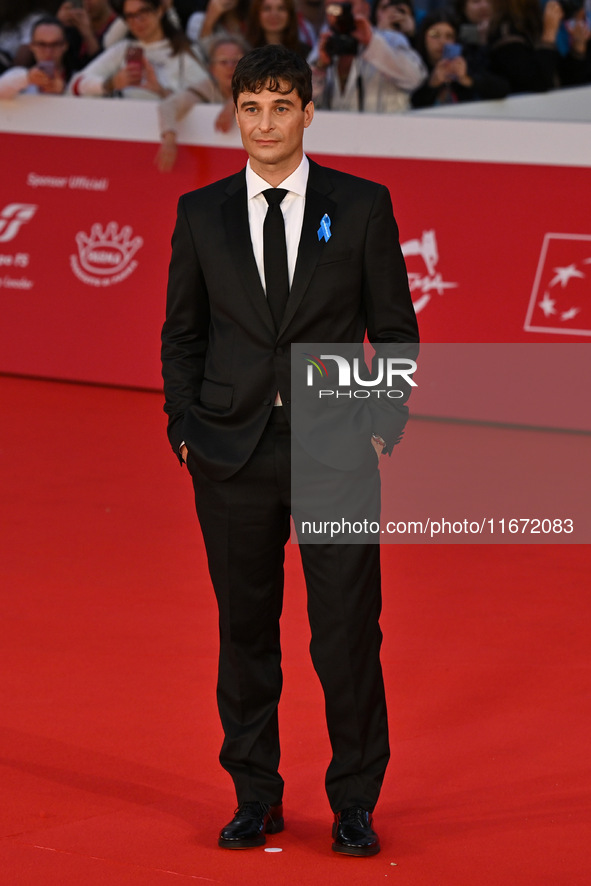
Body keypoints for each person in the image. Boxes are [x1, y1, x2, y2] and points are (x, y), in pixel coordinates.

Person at [161, 44, 418, 856]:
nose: (264, 123)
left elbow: (396, 327)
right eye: (250, 108)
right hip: (230, 455)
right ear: (234, 115)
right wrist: (182, 426)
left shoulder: (363, 204)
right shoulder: (199, 214)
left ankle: (353, 802)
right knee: (245, 631)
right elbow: (183, 334)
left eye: (280, 107)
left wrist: (383, 416)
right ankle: (254, 793)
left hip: (335, 452)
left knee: (345, 631)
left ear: (308, 113)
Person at [69, 0, 209, 98]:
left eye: (144, 12)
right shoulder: (123, 49)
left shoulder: (184, 51)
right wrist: (111, 83)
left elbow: (205, 99)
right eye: (130, 16)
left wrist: (161, 91)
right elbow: (75, 85)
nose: (137, 21)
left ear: (159, 11)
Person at [310, 0, 426, 112]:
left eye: (348, 5)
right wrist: (320, 66)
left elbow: (415, 78)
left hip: (384, 130)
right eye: (333, 7)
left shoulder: (391, 38)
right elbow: (304, 98)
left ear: (366, 9)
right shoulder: (323, 44)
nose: (341, 12)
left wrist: (371, 42)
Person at [155, 34, 248, 171]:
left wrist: (233, 102)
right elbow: (168, 105)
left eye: (236, 61)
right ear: (212, 69)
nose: (230, 67)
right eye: (223, 62)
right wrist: (169, 137)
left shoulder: (261, 84)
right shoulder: (207, 87)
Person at [411, 9, 508, 106]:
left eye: (449, 36)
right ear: (423, 37)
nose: (442, 42)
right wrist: (432, 84)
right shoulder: (412, 66)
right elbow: (411, 105)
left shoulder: (465, 63)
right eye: (434, 35)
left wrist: (466, 79)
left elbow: (502, 89)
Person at [0, 15, 71, 98]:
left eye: (55, 44)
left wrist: (64, 91)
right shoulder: (20, 78)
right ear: (31, 46)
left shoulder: (77, 78)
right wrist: (27, 78)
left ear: (65, 46)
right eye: (42, 44)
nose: (48, 51)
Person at [57, 0, 116, 70]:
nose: (88, 2)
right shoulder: (74, 26)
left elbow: (105, 68)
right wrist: (58, 25)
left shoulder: (121, 27)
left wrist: (87, 34)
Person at [246, 0, 313, 57]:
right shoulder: (244, 51)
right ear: (256, 14)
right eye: (267, 8)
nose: (274, 14)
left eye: (281, 8)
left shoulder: (306, 54)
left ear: (290, 14)